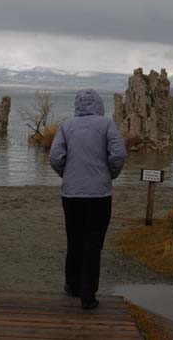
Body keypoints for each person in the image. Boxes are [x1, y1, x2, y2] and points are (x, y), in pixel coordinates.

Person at [49, 89, 126, 309]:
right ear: (99, 104)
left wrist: (67, 173)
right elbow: (119, 155)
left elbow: (55, 157)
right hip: (99, 195)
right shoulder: (107, 125)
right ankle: (88, 296)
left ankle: (72, 286)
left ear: (77, 104)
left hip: (71, 195)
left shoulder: (67, 125)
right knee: (93, 244)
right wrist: (110, 174)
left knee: (74, 240)